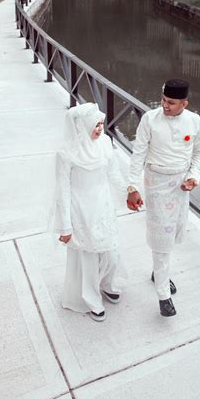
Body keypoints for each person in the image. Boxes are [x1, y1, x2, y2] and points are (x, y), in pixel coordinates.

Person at [126, 79, 200, 317]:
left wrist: (194, 176)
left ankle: (157, 273)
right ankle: (163, 295)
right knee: (161, 236)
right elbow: (138, 152)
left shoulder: (194, 121)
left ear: (185, 103)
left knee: (174, 232)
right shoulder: (150, 119)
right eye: (163, 100)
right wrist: (132, 186)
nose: (165, 106)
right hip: (156, 183)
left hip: (180, 185)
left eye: (171, 102)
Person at [54, 103, 126, 322]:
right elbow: (62, 191)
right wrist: (65, 226)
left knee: (111, 252)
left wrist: (130, 189)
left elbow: (113, 174)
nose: (100, 129)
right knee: (88, 258)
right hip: (81, 209)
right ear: (82, 126)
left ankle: (108, 284)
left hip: (103, 206)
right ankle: (91, 299)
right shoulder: (66, 153)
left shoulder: (104, 143)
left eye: (101, 124)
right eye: (95, 125)